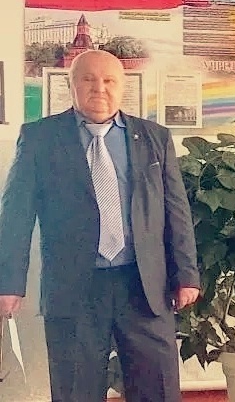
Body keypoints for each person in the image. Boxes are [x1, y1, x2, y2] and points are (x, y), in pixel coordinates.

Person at [0, 50, 200, 402]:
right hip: (75, 287)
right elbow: (16, 214)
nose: (100, 88)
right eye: (89, 80)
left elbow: (176, 210)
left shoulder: (154, 137)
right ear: (72, 85)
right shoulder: (40, 138)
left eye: (109, 80)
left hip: (143, 285)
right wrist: (9, 283)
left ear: (123, 86)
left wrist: (186, 274)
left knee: (158, 389)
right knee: (76, 390)